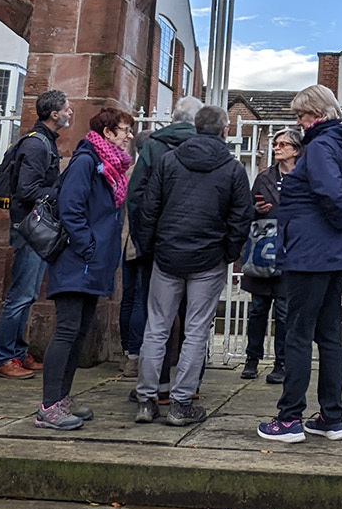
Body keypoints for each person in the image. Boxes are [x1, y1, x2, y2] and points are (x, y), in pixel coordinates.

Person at [132, 105, 254, 426]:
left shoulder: (169, 161)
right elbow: (241, 218)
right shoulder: (232, 168)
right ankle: (180, 403)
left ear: (195, 127)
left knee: (156, 327)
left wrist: (149, 248)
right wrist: (228, 252)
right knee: (196, 331)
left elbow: (148, 207)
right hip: (208, 258)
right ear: (225, 130)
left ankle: (146, 400)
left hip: (168, 254)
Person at [257, 84, 342, 444]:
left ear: (316, 113)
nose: (298, 123)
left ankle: (289, 419)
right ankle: (332, 418)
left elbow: (329, 191)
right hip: (334, 254)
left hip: (309, 252)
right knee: (330, 336)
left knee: (298, 335)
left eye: (301, 115)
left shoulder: (318, 146)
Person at [33, 106, 134, 431]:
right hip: (78, 262)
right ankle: (48, 405)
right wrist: (88, 246)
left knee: (79, 332)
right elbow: (71, 208)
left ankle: (62, 397)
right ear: (107, 133)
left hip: (91, 264)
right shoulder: (87, 162)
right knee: (66, 331)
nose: (129, 135)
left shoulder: (108, 166)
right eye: (124, 129)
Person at [0, 89, 72, 380]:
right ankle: (3, 357)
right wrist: (61, 192)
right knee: (21, 295)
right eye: (66, 109)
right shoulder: (38, 146)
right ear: (54, 114)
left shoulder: (42, 141)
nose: (69, 113)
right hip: (29, 229)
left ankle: (17, 351)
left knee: (26, 295)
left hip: (30, 228)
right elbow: (26, 191)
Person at [122, 96, 200, 379]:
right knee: (194, 318)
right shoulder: (206, 148)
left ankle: (151, 384)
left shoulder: (153, 147)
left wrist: (144, 240)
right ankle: (189, 383)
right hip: (197, 246)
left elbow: (137, 197)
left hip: (157, 243)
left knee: (154, 314)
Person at [244, 127, 301, 384]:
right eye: (276, 144)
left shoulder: (303, 177)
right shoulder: (264, 176)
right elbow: (249, 210)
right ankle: (251, 359)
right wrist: (256, 209)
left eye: (283, 144)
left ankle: (282, 363)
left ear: (296, 150)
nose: (277, 148)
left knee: (284, 311)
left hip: (290, 250)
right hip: (263, 251)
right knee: (257, 310)